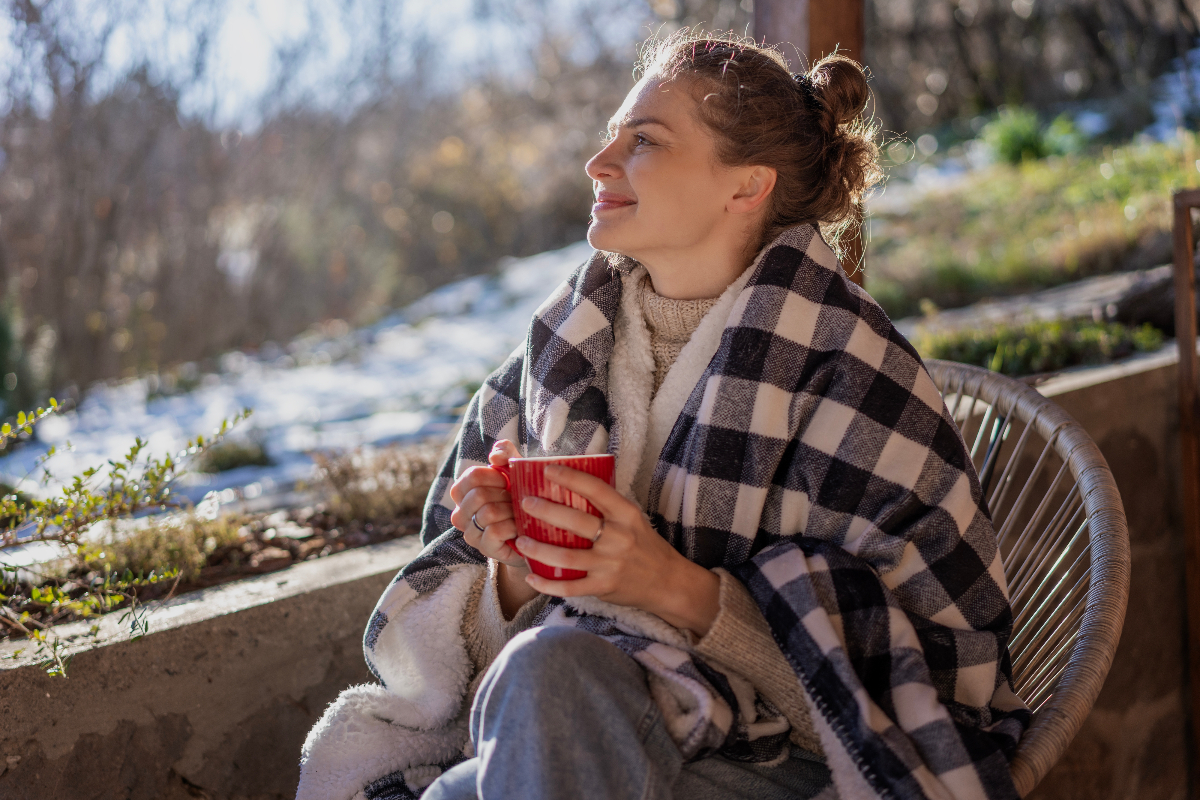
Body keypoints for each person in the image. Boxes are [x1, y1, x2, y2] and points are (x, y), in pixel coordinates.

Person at [297, 31, 1028, 800]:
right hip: (579, 737)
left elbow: (931, 692)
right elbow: (455, 656)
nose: (598, 163)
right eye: (609, 136)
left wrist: (670, 586)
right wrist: (511, 569)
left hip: (794, 762)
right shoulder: (559, 354)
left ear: (745, 186)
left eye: (642, 141)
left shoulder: (853, 373)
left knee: (546, 677)